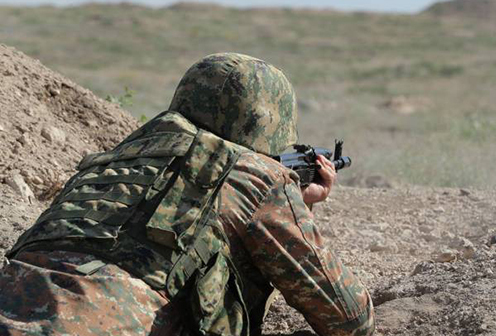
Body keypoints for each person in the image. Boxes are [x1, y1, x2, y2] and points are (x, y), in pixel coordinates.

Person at [0, 53, 374, 336]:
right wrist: (293, 209)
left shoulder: (115, 160)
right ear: (268, 121)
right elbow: (349, 319)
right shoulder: (256, 176)